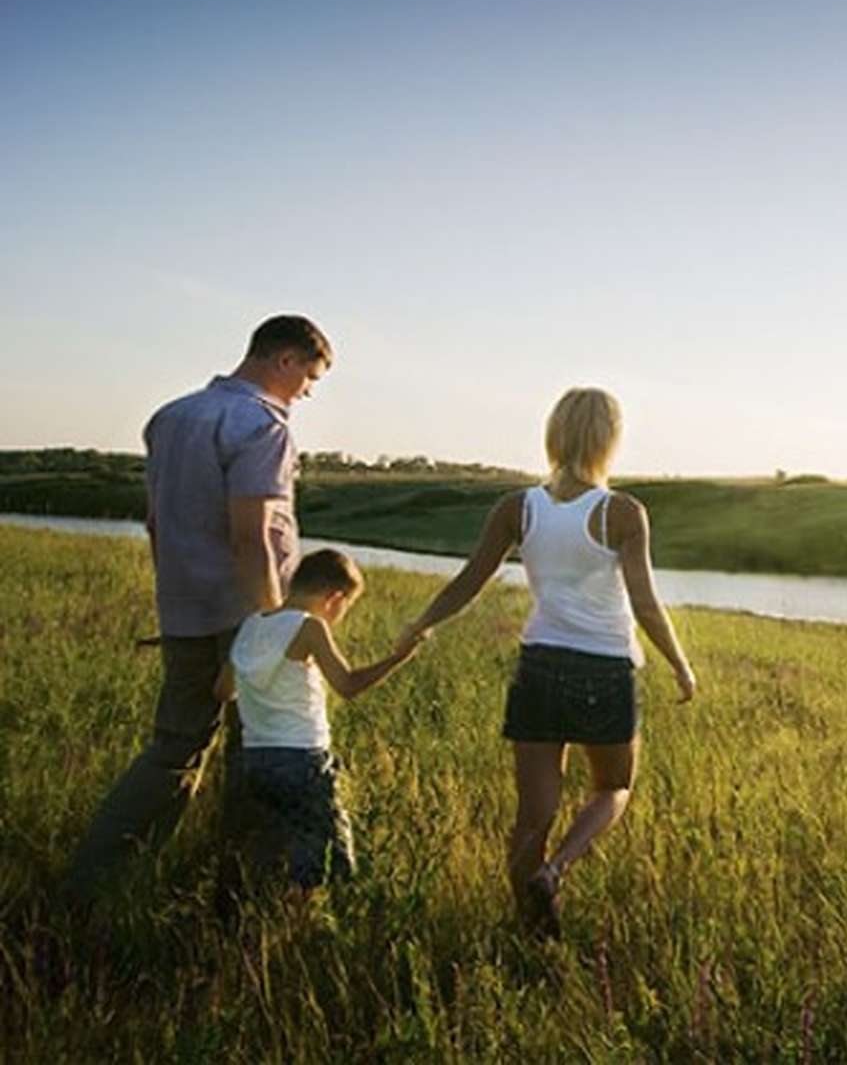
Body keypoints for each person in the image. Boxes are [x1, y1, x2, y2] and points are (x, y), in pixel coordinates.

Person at [402, 387, 696, 938]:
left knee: (532, 815)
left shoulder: (517, 507)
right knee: (613, 789)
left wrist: (420, 624)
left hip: (539, 665)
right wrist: (680, 664)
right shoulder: (621, 512)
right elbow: (646, 602)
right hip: (604, 670)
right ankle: (556, 871)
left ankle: (530, 930)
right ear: (610, 440)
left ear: (554, 435)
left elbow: (470, 580)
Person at [64, 314, 332, 905]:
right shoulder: (263, 424)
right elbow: (252, 535)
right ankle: (239, 894)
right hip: (246, 614)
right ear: (284, 360)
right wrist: (272, 625)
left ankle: (99, 878)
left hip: (183, 606)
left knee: (174, 747)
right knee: (260, 749)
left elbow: (157, 521)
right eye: (308, 379)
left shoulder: (171, 416)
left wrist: (176, 595)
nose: (307, 393)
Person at [216, 549, 426, 890]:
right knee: (325, 865)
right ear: (334, 598)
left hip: (254, 760)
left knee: (271, 857)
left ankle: (263, 927)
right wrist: (397, 658)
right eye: (346, 607)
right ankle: (297, 932)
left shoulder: (251, 625)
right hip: (303, 760)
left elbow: (223, 691)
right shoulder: (309, 626)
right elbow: (347, 684)